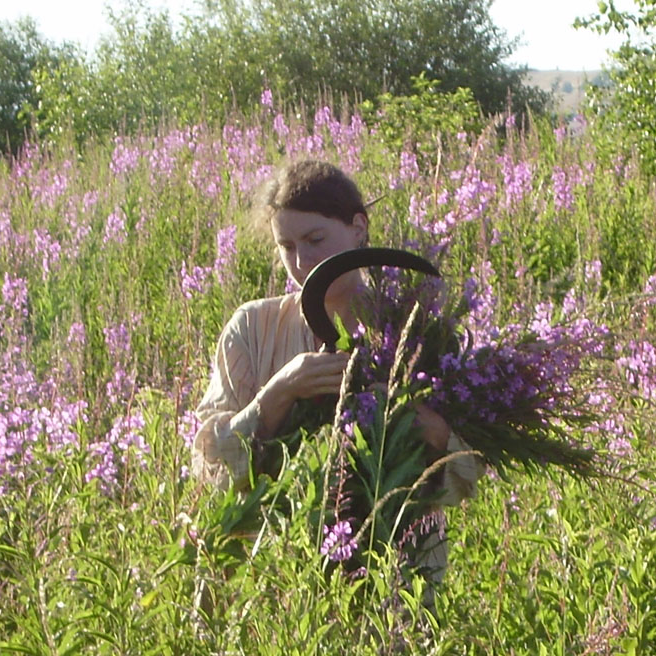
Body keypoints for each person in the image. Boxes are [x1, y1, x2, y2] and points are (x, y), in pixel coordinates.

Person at [191, 158, 480, 578]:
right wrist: (279, 393)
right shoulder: (252, 328)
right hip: (278, 575)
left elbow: (468, 477)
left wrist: (426, 427)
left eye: (315, 239)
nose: (302, 260)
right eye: (286, 246)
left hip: (398, 576)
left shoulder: (417, 333)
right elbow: (210, 465)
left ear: (358, 229)